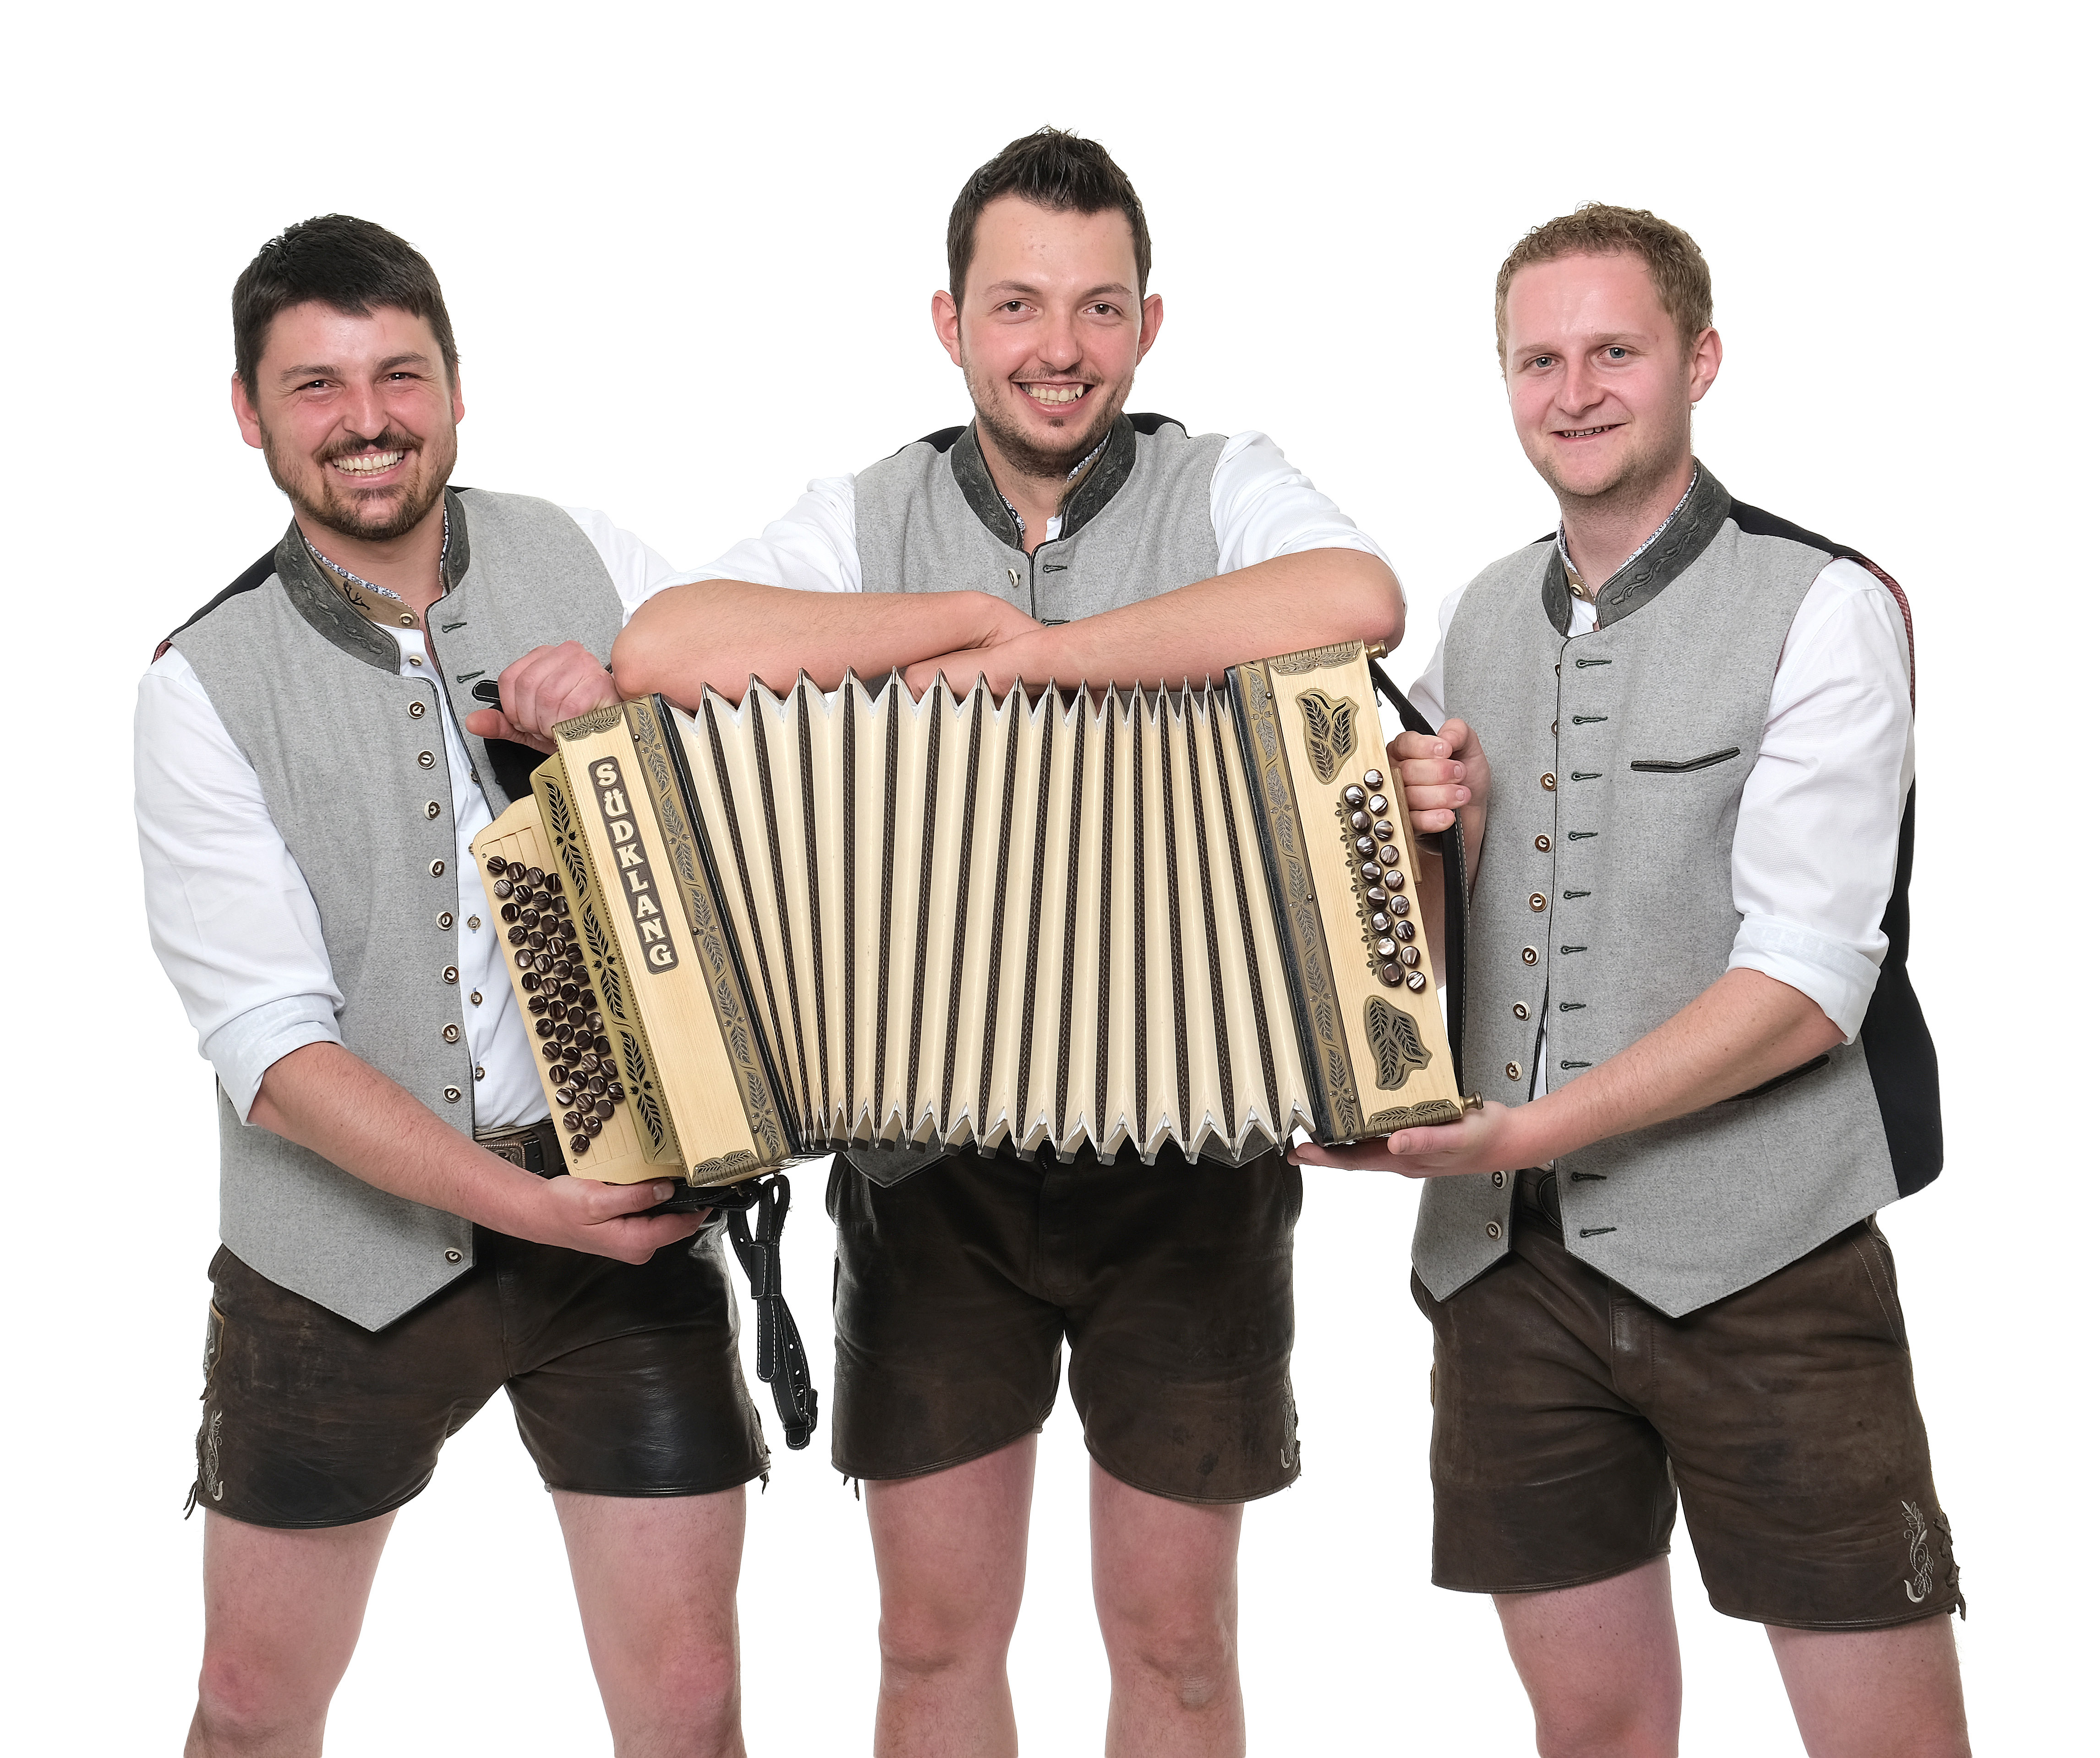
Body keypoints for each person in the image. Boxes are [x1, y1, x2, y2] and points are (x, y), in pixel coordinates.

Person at [611, 129, 1403, 1758]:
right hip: (928, 1174)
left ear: (1149, 324)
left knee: (1178, 1650)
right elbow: (668, 645)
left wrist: (1049, 661)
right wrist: (960, 623)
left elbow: (1357, 597)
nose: (1060, 350)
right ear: (950, 322)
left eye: (1099, 310)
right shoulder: (872, 507)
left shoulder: (1223, 478)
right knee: (929, 1651)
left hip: (1196, 1157)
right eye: (1020, 307)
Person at [1297, 205, 1969, 1757]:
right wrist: (1410, 845)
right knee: (1593, 1737)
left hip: (1768, 1262)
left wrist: (1530, 1133)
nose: (1575, 389)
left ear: (1699, 362)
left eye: (1616, 351)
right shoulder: (1471, 612)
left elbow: (1809, 980)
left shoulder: (1824, 607)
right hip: (1502, 1282)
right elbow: (1421, 931)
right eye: (1540, 358)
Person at [137, 214, 768, 1758]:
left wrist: (622, 727)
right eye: (318, 387)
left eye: (399, 373)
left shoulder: (596, 559)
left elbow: (770, 810)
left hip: (621, 1213)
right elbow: (275, 1054)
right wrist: (526, 1211)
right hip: (337, 1263)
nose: (368, 421)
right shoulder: (198, 684)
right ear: (250, 413)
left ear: (457, 387)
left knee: (689, 1711)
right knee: (249, 1709)